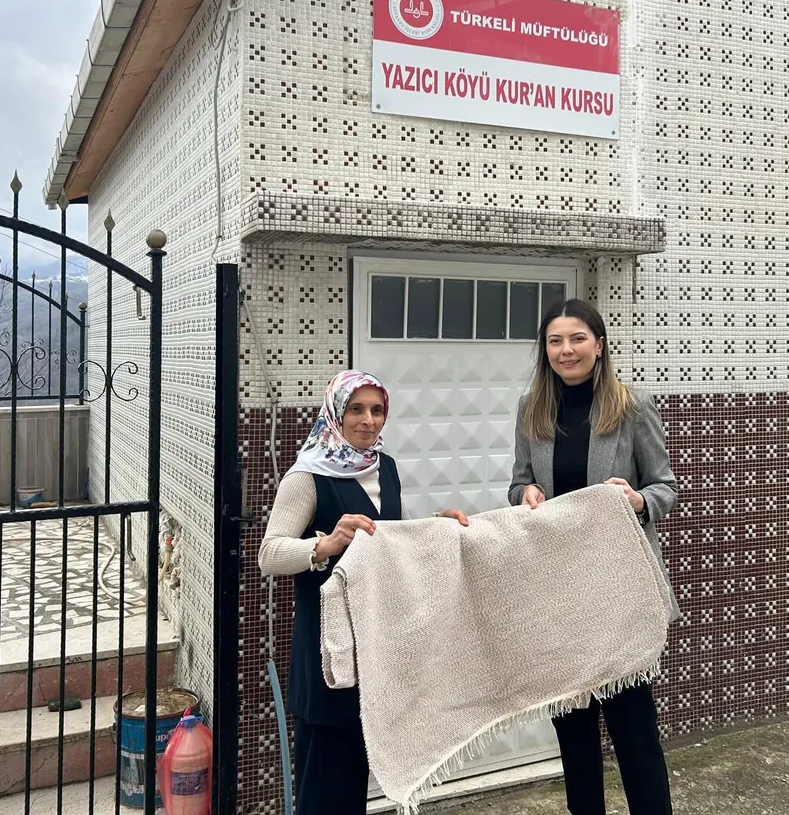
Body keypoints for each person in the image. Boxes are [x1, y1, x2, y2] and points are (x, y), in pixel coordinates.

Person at [258, 369, 469, 815]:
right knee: (324, 785)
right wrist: (325, 545)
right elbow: (270, 554)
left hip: (374, 646)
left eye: (377, 410)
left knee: (355, 780)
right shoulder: (307, 477)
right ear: (336, 412)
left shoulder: (384, 468)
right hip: (327, 652)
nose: (368, 421)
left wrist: (439, 525)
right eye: (356, 409)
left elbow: (397, 536)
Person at [508, 298, 679, 815]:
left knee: (634, 733)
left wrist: (638, 502)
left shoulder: (631, 406)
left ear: (599, 345)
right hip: (558, 591)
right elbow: (518, 481)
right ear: (545, 350)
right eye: (555, 341)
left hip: (618, 589)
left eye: (578, 338)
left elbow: (666, 487)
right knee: (575, 735)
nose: (567, 350)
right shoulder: (531, 407)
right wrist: (525, 496)